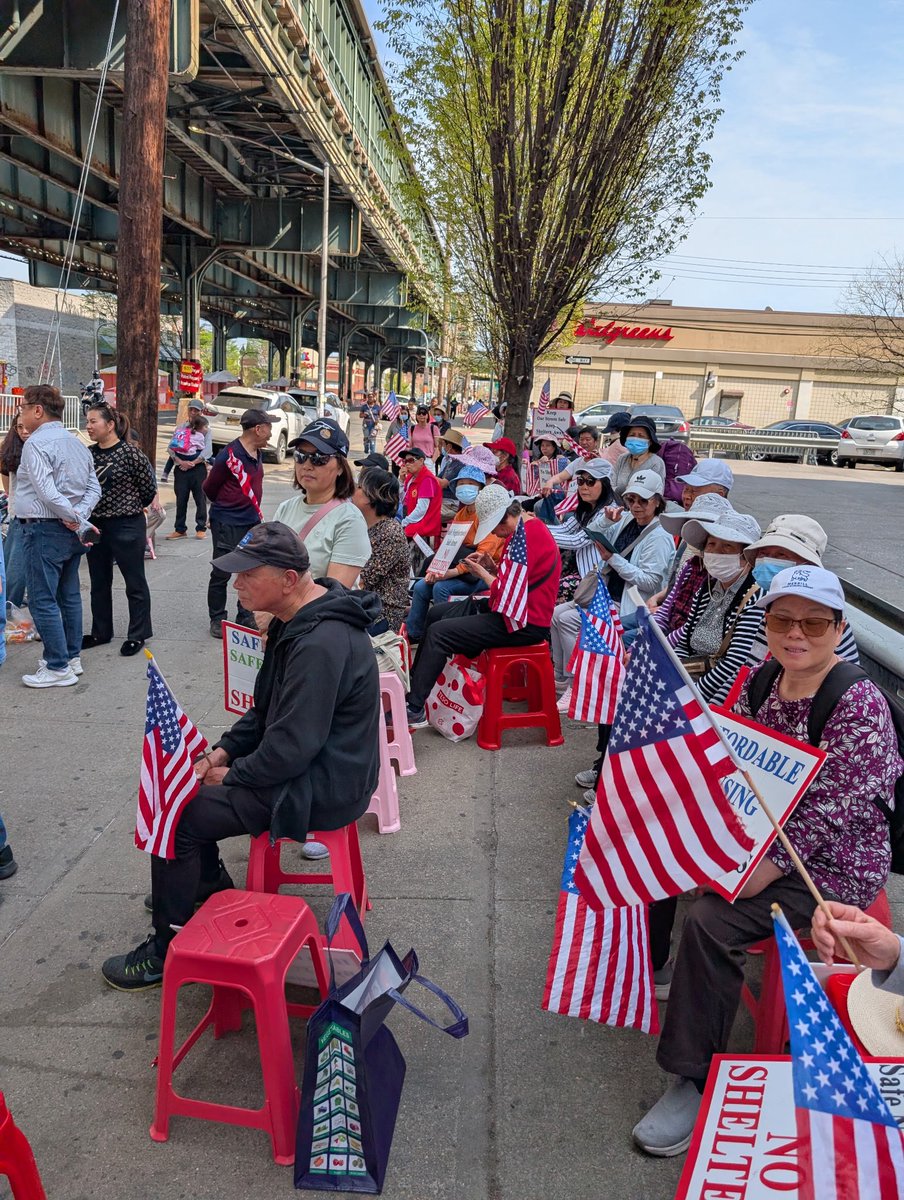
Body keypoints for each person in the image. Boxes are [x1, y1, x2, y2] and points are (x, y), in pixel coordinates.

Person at [634, 566, 902, 1156]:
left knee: (709, 919)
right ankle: (658, 975)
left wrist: (764, 866)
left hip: (832, 867)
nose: (795, 633)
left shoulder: (857, 704)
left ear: (838, 627)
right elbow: (743, 773)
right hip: (766, 844)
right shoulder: (762, 682)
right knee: (665, 857)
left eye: (813, 621)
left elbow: (830, 811)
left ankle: (693, 1076)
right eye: (782, 619)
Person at [101, 522, 381, 990]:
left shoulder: (318, 642)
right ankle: (200, 886)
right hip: (309, 765)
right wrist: (221, 751)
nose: (236, 584)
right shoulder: (299, 620)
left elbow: (291, 748)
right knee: (186, 787)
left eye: (248, 575)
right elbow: (265, 713)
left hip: (325, 783)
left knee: (178, 812)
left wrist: (233, 776)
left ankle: (165, 948)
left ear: (289, 580)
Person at [405, 486, 562, 726]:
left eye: (496, 528)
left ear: (505, 518)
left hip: (524, 622)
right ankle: (418, 686)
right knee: (437, 614)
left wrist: (481, 573)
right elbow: (516, 582)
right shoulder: (524, 530)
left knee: (440, 633)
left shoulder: (527, 536)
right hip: (516, 612)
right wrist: (492, 569)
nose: (497, 535)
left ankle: (414, 707)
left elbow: (507, 592)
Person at [15, 384, 101, 689]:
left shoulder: (36, 444)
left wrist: (74, 519)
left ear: (38, 410)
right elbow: (94, 488)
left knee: (42, 599)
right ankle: (70, 657)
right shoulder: (76, 442)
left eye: (23, 407)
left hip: (44, 527)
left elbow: (47, 492)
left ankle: (57, 665)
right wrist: (78, 518)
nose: (20, 413)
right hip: (67, 528)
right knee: (68, 596)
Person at [83, 401, 157, 656]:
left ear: (110, 424)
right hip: (96, 525)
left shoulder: (131, 453)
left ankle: (138, 634)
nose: (88, 426)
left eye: (93, 421)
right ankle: (101, 631)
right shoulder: (89, 454)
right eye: (88, 421)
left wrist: (129, 506)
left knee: (134, 581)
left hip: (127, 523)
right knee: (99, 581)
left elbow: (148, 489)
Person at [667, 508, 763, 703]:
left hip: (717, 691)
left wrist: (693, 698)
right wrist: (675, 681)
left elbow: (734, 662)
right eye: (711, 544)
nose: (715, 552)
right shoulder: (709, 585)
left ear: (745, 555)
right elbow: (685, 641)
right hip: (691, 673)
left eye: (727, 546)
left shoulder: (755, 595)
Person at [405, 467, 507, 641]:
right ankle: (415, 635)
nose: (464, 487)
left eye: (470, 483)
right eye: (461, 483)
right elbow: (450, 546)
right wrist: (437, 570)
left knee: (441, 588)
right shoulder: (461, 513)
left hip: (480, 573)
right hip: (460, 565)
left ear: (480, 487)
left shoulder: (488, 515)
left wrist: (450, 573)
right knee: (422, 586)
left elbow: (482, 556)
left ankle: (443, 635)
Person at [203, 406, 278, 637]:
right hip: (227, 522)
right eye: (269, 428)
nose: (271, 434)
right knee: (222, 570)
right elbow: (210, 488)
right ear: (258, 429)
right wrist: (227, 507)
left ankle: (244, 615)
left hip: (250, 520)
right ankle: (217, 618)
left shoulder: (258, 451)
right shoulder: (229, 455)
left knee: (249, 569)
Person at [273, 418, 371, 585]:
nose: (307, 465)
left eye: (319, 458)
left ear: (340, 467)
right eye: (300, 456)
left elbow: (332, 596)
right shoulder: (285, 509)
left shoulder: (349, 520)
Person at [353, 468, 410, 632]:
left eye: (358, 488)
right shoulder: (362, 525)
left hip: (380, 614)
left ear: (373, 496)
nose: (353, 491)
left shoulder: (390, 533)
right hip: (361, 604)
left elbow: (360, 581)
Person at [0, 415, 30, 621]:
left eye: (27, 427)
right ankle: (9, 611)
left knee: (16, 570)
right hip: (17, 517)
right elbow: (8, 484)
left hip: (35, 519)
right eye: (19, 427)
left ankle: (10, 609)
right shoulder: (11, 451)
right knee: (11, 567)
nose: (24, 431)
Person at [165, 410, 210, 540]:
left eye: (196, 410)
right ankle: (180, 529)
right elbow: (171, 448)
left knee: (200, 498)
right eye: (191, 409)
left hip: (198, 468)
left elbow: (208, 450)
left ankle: (201, 528)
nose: (193, 412)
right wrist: (181, 462)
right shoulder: (180, 430)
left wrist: (193, 462)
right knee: (181, 499)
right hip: (181, 468)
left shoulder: (206, 430)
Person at [611, 416, 666, 501]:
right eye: (632, 435)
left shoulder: (656, 463)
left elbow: (655, 494)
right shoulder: (622, 459)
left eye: (641, 436)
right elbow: (612, 486)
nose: (636, 438)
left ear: (650, 441)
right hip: (617, 507)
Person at [400, 447, 443, 551]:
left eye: (411, 460)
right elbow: (402, 499)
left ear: (421, 461)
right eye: (405, 461)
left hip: (425, 523)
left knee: (398, 534)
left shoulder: (427, 479)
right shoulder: (410, 477)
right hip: (414, 520)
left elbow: (421, 509)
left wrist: (405, 522)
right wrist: (401, 481)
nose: (407, 464)